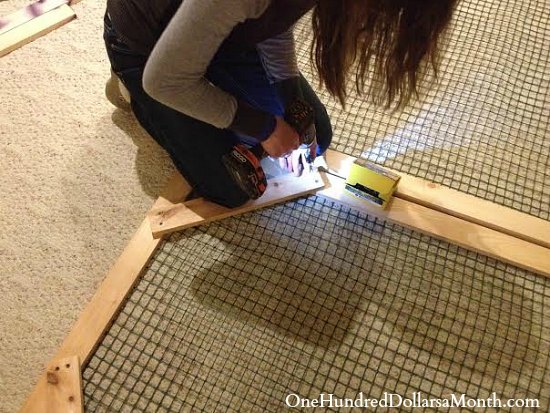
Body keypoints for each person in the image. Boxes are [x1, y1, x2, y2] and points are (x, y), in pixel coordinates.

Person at [103, 0, 457, 207]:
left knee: (317, 134)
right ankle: (128, 89)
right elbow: (165, 81)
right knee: (233, 188)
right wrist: (265, 128)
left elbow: (272, 21)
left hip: (223, 34)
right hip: (149, 53)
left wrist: (289, 94)